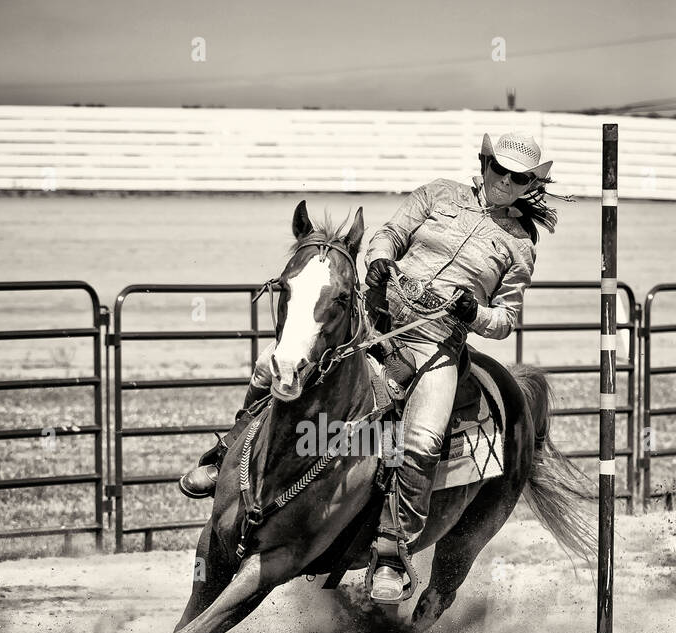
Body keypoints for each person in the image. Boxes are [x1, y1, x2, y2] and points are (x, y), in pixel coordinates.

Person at [179, 131, 559, 603]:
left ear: (530, 185)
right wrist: (379, 261)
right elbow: (388, 234)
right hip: (375, 319)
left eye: (517, 176)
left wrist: (472, 313)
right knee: (272, 367)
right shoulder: (437, 194)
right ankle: (226, 458)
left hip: (435, 346)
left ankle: (392, 554)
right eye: (498, 168)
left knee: (421, 440)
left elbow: (504, 319)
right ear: (483, 163)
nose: (504, 180)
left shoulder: (520, 244)